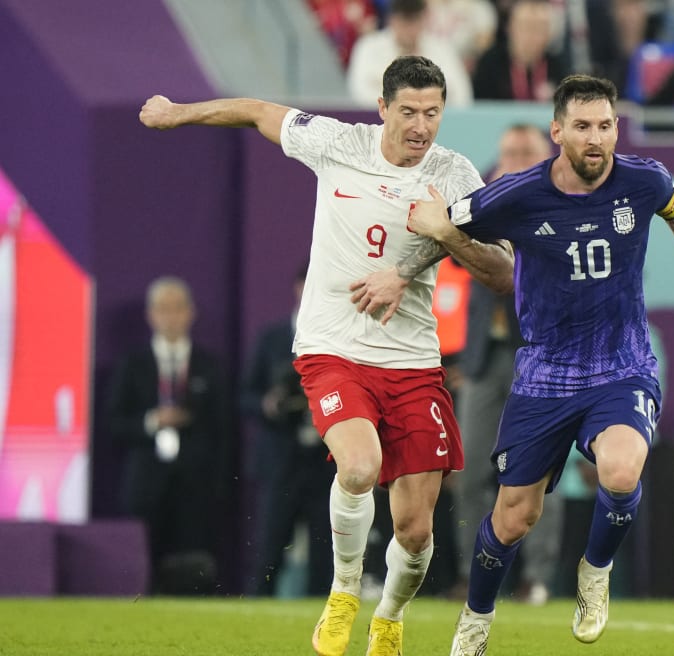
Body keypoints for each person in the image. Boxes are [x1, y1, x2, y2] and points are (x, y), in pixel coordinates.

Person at [350, 74, 674, 654]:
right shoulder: (517, 194)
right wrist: (400, 271)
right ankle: (477, 617)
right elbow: (442, 227)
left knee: (620, 472)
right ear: (557, 131)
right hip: (544, 376)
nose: (597, 138)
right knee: (513, 517)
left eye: (606, 126)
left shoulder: (644, 180)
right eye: (583, 127)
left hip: (621, 364)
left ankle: (594, 572)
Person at [139, 55, 514, 656]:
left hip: (414, 363)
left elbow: (502, 271)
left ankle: (388, 618)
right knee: (360, 467)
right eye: (410, 112)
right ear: (383, 108)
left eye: (433, 113)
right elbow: (257, 111)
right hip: (333, 348)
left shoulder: (455, 174)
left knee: (416, 533)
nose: (421, 127)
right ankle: (343, 594)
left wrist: (445, 235)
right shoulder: (339, 143)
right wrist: (179, 113)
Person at [450, 123, 562, 605]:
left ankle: (536, 578)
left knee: (538, 472)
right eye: (508, 152)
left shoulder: (562, 203)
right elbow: (453, 266)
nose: (514, 160)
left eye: (525, 152)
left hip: (538, 355)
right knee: (469, 472)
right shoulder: (482, 204)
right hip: (483, 357)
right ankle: (475, 573)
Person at [106, 276, 230, 594]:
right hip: (146, 479)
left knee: (192, 560)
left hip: (195, 481)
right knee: (144, 557)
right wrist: (151, 421)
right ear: (151, 315)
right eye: (163, 309)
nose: (171, 317)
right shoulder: (132, 365)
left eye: (177, 309)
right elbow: (113, 423)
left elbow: (223, 428)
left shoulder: (210, 365)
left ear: (191, 313)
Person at [243, 264, 336, 597]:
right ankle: (253, 620)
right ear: (297, 288)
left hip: (325, 460)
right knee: (269, 551)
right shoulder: (272, 338)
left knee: (325, 554)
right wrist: (268, 404)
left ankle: (323, 624)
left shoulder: (339, 338)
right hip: (281, 460)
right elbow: (246, 396)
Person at [347, 0, 473, 108]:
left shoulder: (441, 49)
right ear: (391, 19)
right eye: (404, 20)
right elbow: (360, 94)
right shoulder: (369, 47)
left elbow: (462, 97)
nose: (409, 28)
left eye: (415, 20)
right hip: (382, 126)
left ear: (423, 19)